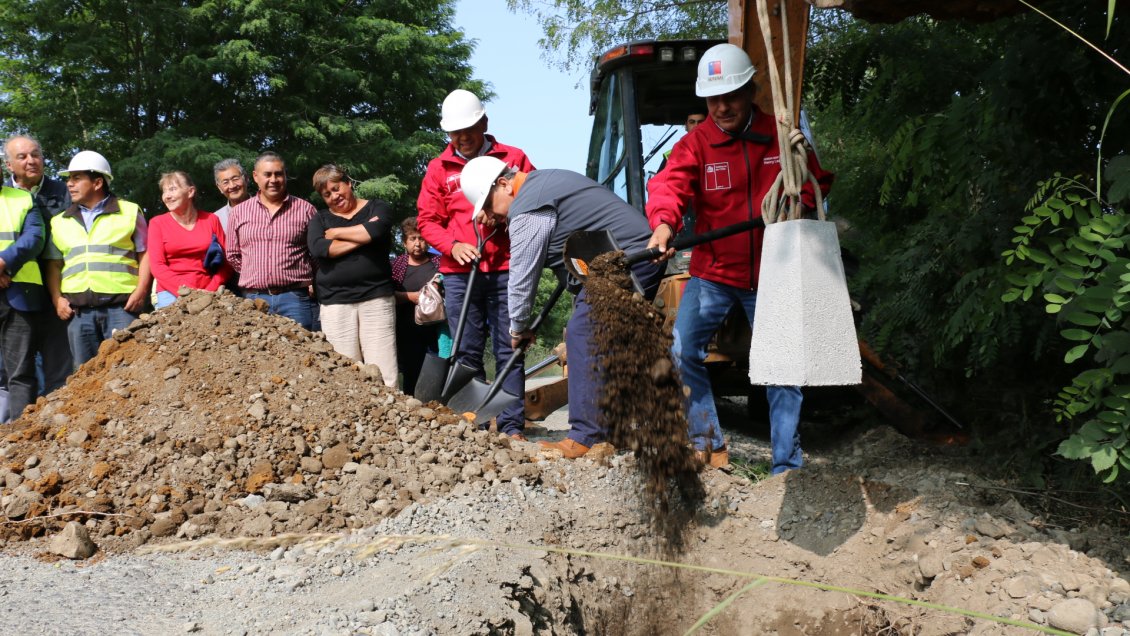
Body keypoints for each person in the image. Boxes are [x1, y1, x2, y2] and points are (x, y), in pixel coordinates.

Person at [645, 43, 833, 474]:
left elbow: (815, 183)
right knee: (681, 349)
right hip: (714, 272)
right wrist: (662, 225)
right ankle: (709, 444)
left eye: (731, 96)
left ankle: (787, 467)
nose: (722, 107)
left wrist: (798, 199)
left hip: (776, 271)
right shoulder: (695, 145)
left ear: (751, 91)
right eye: (713, 99)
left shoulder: (783, 137)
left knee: (783, 366)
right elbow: (669, 187)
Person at [460, 156, 664, 458]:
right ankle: (614, 432)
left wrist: (517, 327)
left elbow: (522, 276)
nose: (490, 216)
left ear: (503, 184)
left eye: (489, 206)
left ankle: (586, 437)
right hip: (621, 259)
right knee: (602, 342)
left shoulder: (526, 207)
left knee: (582, 334)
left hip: (628, 259)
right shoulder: (544, 184)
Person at [416, 89, 535, 439]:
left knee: (508, 346)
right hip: (458, 274)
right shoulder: (438, 169)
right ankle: (477, 425)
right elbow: (427, 221)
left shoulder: (513, 158)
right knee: (467, 350)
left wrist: (507, 216)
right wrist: (452, 246)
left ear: (484, 121)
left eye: (469, 127)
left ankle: (512, 426)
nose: (463, 137)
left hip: (506, 268)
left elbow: (534, 200)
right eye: (455, 132)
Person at [43, 150, 152, 366]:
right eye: (69, 179)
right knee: (86, 378)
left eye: (77, 178)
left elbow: (146, 253)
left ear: (97, 182)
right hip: (79, 313)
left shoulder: (129, 212)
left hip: (122, 309)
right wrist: (57, 299)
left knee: (128, 373)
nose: (69, 184)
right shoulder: (59, 222)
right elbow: (54, 265)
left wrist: (141, 291)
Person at [307, 164, 397, 386]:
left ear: (348, 183)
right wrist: (364, 236)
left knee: (384, 370)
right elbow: (320, 248)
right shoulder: (319, 219)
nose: (334, 197)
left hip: (376, 299)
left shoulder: (378, 207)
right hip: (335, 303)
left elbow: (376, 230)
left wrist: (337, 233)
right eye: (327, 194)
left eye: (336, 188)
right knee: (345, 373)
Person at [5, 135, 72, 395]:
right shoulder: (4, 197)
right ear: (9, 165)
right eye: (22, 157)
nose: (31, 161)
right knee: (15, 370)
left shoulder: (66, 194)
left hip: (59, 291)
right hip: (13, 293)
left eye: (35, 155)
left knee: (60, 367)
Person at [227, 151, 318, 330]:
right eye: (267, 174)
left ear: (285, 176)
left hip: (295, 299)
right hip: (254, 300)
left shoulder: (306, 210)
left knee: (301, 354)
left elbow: (315, 254)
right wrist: (254, 273)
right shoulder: (238, 213)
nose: (273, 179)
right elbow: (232, 254)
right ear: (255, 177)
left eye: (278, 174)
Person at [0, 160, 46, 421]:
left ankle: (17, 435)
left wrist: (4, 263)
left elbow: (34, 239)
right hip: (12, 285)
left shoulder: (24, 199)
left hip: (20, 295)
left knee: (20, 371)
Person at [148, 171, 231, 308]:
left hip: (208, 291)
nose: (167, 196)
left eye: (173, 189)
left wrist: (211, 289)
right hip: (170, 292)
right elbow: (157, 267)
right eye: (164, 191)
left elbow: (227, 261)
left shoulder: (211, 220)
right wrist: (189, 293)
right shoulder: (157, 223)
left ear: (190, 191)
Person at [391, 216, 442, 395]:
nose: (418, 243)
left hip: (436, 329)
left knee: (436, 370)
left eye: (421, 238)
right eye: (413, 239)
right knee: (410, 373)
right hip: (407, 329)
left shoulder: (439, 264)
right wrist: (411, 297)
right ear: (405, 242)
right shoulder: (397, 266)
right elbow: (388, 296)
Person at [211, 159, 249, 236]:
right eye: (225, 182)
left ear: (246, 179)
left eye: (235, 179)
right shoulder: (216, 219)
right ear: (219, 188)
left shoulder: (266, 209)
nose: (232, 186)